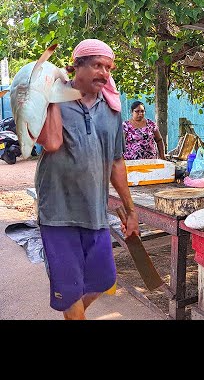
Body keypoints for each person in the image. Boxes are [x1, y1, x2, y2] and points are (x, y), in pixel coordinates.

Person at [35, 38, 140, 320]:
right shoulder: (53, 101)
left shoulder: (112, 109)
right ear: (76, 66)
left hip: (95, 213)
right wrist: (49, 99)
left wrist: (131, 210)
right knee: (70, 296)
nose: (104, 73)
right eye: (97, 65)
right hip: (59, 213)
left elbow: (116, 161)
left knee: (103, 281)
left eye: (108, 67)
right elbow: (48, 143)